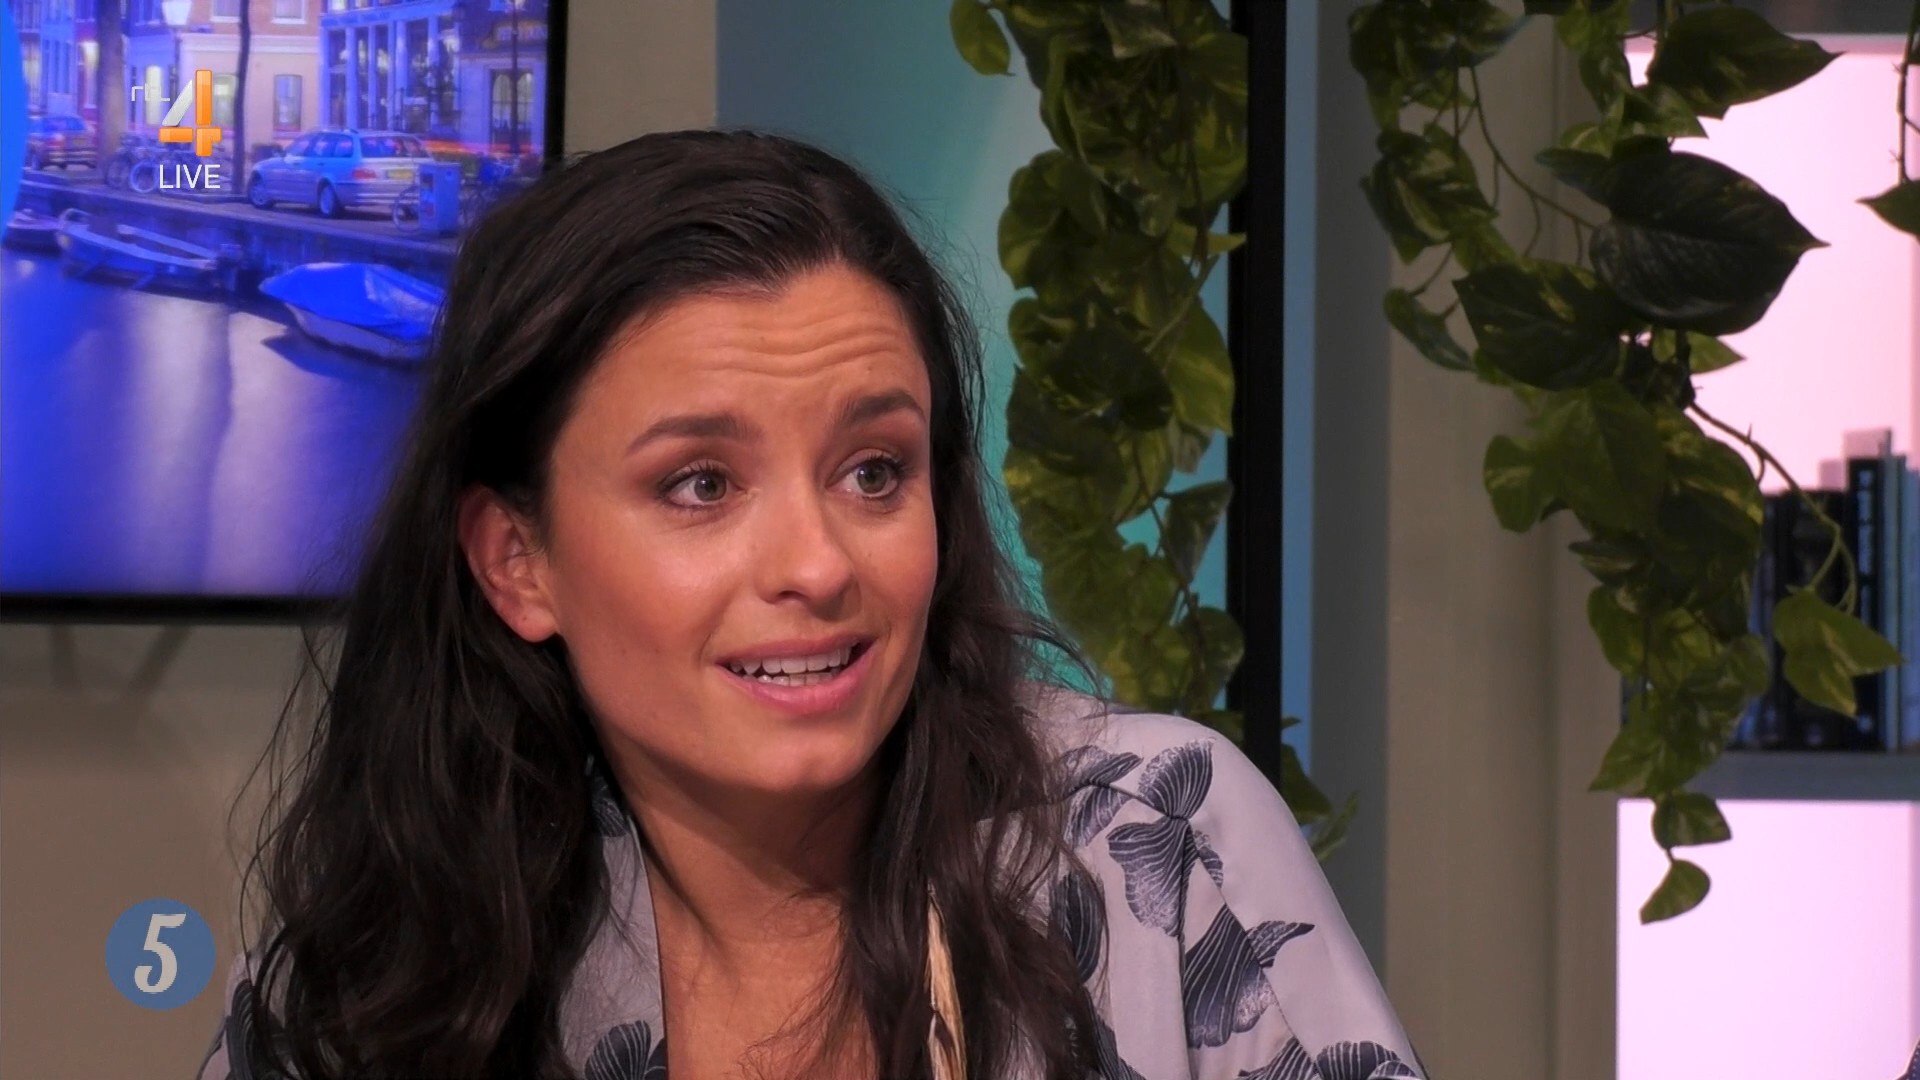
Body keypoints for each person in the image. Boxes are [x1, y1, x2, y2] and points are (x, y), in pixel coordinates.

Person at [195, 129, 1423, 1080]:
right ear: (519, 561)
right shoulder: (354, 1001)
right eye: (701, 484)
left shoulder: (1159, 845)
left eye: (873, 472)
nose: (820, 565)